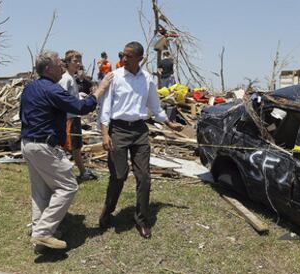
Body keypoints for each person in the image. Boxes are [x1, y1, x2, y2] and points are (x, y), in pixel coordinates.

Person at [20, 50, 112, 250]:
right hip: (44, 146)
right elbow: (81, 107)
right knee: (68, 186)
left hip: (28, 143)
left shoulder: (30, 88)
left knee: (40, 192)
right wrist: (101, 88)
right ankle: (43, 232)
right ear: (47, 69)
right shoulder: (52, 90)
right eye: (57, 62)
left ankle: (41, 236)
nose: (61, 64)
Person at [98, 41, 184, 239]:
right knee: (118, 175)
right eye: (123, 55)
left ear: (140, 58)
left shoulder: (147, 79)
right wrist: (104, 133)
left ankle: (142, 220)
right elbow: (105, 107)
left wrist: (169, 123)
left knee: (144, 177)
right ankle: (108, 211)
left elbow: (155, 106)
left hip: (139, 131)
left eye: (128, 56)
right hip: (118, 129)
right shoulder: (115, 77)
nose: (124, 59)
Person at [59, 50, 97, 182]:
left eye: (79, 61)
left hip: (74, 116)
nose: (78, 64)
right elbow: (61, 98)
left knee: (76, 146)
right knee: (69, 146)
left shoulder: (72, 78)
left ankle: (82, 172)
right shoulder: (66, 79)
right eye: (75, 61)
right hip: (68, 117)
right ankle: (68, 173)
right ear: (67, 62)